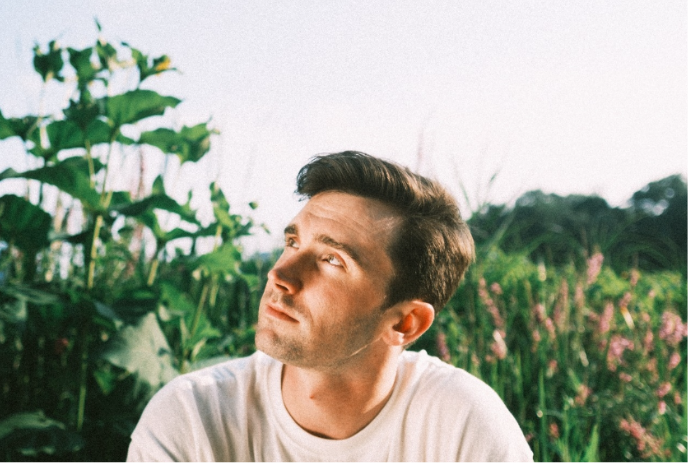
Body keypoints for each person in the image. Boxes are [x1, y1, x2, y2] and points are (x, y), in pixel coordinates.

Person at [127, 151, 533, 462]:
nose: (280, 275)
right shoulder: (192, 418)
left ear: (406, 322)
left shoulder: (464, 430)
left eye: (332, 260)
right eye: (292, 243)